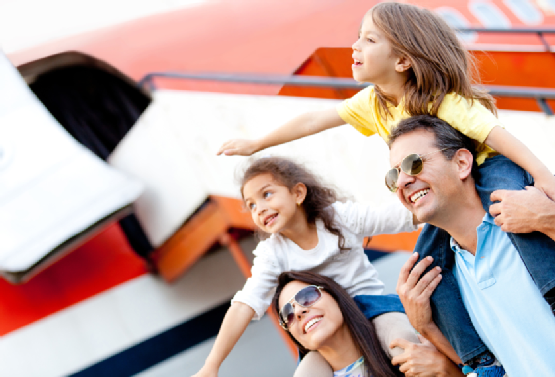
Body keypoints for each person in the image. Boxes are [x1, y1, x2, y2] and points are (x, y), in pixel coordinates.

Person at [217, 4, 555, 364]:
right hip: (446, 189)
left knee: (520, 219)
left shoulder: (441, 101)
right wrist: (257, 144)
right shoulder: (373, 104)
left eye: (369, 39)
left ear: (402, 61)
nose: (355, 47)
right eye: (358, 37)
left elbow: (497, 135)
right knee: (427, 272)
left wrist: (545, 178)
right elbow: (314, 119)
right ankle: (481, 361)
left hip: (487, 167)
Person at [192, 156, 419, 377]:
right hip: (321, 331)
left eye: (267, 194)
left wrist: (435, 203)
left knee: (403, 344)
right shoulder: (272, 253)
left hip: (372, 311)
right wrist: (212, 365)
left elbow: (396, 217)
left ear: (298, 193)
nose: (259, 208)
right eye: (251, 205)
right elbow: (245, 304)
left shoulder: (338, 219)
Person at [389, 114, 555, 376]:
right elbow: (485, 367)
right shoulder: (443, 283)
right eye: (393, 175)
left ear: (462, 163)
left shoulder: (537, 207)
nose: (401, 182)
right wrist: (425, 326)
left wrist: (550, 221)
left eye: (414, 163)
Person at [273, 271, 464, 377]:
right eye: (287, 315)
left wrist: (445, 368)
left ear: (336, 296)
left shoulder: (417, 342)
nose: (298, 311)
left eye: (307, 296)